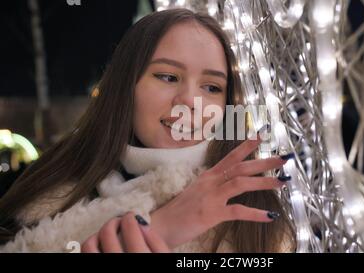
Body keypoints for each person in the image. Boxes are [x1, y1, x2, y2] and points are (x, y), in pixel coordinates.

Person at [0, 8, 296, 253]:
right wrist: (157, 230)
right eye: (168, 76)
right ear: (125, 87)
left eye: (212, 87)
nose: (190, 102)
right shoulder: (43, 195)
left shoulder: (255, 220)